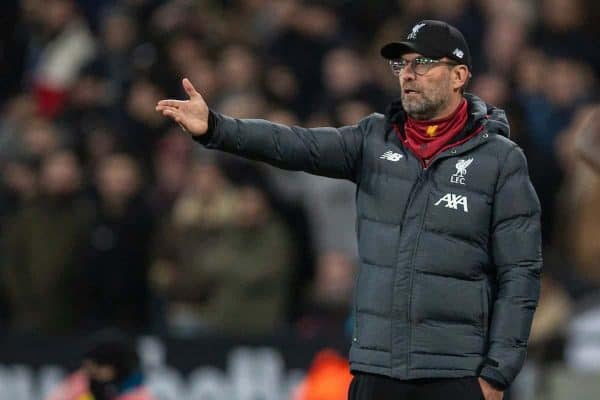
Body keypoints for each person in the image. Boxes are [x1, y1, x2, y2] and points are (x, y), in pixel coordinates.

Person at [156, 20, 542, 400]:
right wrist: (215, 128)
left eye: (422, 64)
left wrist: (497, 372)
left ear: (459, 75)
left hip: (456, 371)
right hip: (378, 369)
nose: (407, 74)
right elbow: (295, 144)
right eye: (402, 65)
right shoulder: (373, 140)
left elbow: (520, 274)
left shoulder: (501, 161)